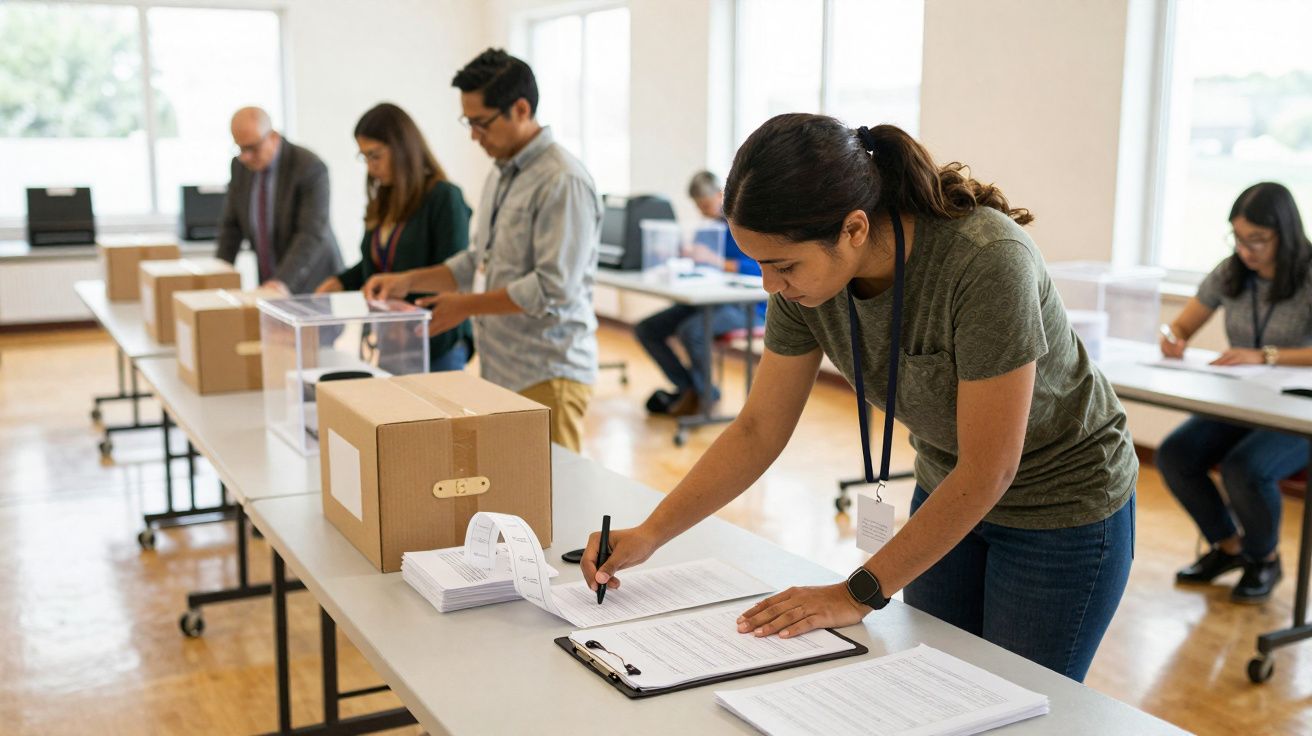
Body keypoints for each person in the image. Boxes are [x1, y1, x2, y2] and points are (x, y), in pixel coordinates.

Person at [581, 114, 1137, 682]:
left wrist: (857, 592)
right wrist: (651, 533)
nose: (771, 286)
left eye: (784, 265)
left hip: (1062, 505)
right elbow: (757, 428)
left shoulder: (986, 261)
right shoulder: (803, 286)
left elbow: (991, 467)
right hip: (950, 485)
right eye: (760, 266)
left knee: (1022, 703)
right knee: (936, 686)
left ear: (853, 229)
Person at [364, 49, 601, 452]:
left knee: (555, 500)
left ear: (521, 109)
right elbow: (477, 259)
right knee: (515, 493)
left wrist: (466, 306)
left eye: (480, 123)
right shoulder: (502, 173)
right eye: (468, 122)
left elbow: (552, 289)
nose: (474, 135)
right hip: (503, 369)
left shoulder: (563, 180)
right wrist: (407, 281)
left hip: (549, 372)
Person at [1156, 182, 1312, 604]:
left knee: (1246, 468)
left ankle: (1265, 559)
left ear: (1285, 232)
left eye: (1257, 239)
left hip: (1299, 412)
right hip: (1243, 403)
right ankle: (1229, 549)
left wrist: (1266, 356)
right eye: (1238, 238)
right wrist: (1173, 336)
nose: (1246, 249)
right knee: (1174, 455)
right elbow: (1183, 324)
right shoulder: (1230, 272)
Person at [315, 103, 474, 372]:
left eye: (375, 156)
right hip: (392, 341)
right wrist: (340, 282)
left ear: (401, 148)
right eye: (364, 157)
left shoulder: (444, 198)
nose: (370, 166)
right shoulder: (385, 199)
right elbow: (379, 264)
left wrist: (405, 300)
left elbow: (452, 273)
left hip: (435, 342)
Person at [636, 171, 765, 417]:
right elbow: (702, 268)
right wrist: (683, 257)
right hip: (708, 301)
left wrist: (717, 261)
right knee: (647, 329)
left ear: (720, 195)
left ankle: (704, 397)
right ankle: (690, 388)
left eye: (705, 205)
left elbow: (759, 269)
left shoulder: (747, 226)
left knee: (692, 331)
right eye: (698, 206)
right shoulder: (707, 230)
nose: (702, 211)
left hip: (747, 308)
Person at [216, 107, 343, 294]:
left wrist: (281, 282)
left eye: (252, 148)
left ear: (273, 136)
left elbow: (310, 233)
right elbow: (231, 228)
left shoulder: (309, 167)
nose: (246, 156)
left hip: (313, 284)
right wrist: (219, 276)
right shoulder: (239, 167)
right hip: (271, 283)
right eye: (240, 148)